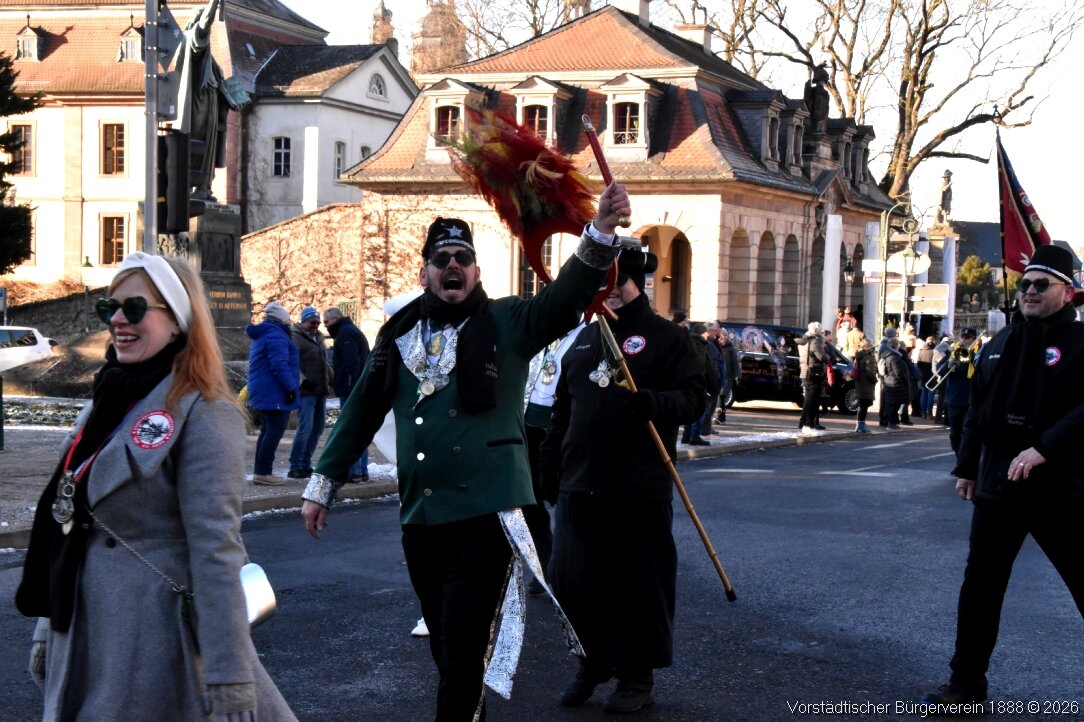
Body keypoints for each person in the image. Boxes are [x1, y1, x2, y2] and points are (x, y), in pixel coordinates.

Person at [301, 184, 630, 721]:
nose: (452, 266)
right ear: (425, 273)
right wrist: (323, 485)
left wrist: (602, 230)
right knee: (446, 646)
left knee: (460, 645)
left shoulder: (509, 321)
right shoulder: (399, 333)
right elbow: (361, 409)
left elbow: (566, 296)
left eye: (462, 258)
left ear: (476, 272)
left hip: (488, 514)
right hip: (422, 515)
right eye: (442, 259)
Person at [15, 252, 296, 721]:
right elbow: (71, 524)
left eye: (135, 308)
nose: (117, 320)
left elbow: (217, 550)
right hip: (84, 629)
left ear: (178, 321)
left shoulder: (205, 411)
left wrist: (228, 675)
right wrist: (49, 627)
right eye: (110, 308)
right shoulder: (107, 399)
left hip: (153, 641)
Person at [542, 248, 704, 714]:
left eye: (620, 282)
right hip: (579, 485)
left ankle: (637, 675)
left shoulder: (669, 338)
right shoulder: (584, 340)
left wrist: (657, 402)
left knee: (637, 586)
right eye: (604, 283)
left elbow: (694, 397)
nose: (611, 291)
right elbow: (563, 410)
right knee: (573, 582)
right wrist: (548, 463)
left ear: (638, 283)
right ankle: (591, 661)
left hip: (637, 485)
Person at [923, 244, 1084, 706]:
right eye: (1025, 284)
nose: (1029, 291)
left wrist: (1044, 448)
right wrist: (967, 466)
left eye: (1041, 284)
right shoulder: (1000, 342)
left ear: (1067, 292)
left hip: (1060, 488)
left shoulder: (1080, 343)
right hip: (998, 486)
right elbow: (979, 408)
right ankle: (966, 684)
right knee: (981, 588)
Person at [522, 322, 585, 595]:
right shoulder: (542, 330)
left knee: (569, 504)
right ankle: (545, 569)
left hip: (566, 429)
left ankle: (569, 573)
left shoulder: (590, 333)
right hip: (529, 428)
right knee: (531, 504)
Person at [246, 301, 300, 485]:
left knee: (267, 431)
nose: (289, 323)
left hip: (265, 389)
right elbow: (279, 365)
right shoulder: (276, 335)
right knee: (274, 432)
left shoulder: (266, 333)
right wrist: (290, 388)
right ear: (281, 319)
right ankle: (263, 473)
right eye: (287, 320)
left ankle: (261, 471)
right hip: (274, 391)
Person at [322, 306, 371, 482]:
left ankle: (354, 471)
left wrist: (351, 386)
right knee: (360, 431)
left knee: (350, 431)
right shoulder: (351, 331)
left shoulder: (344, 334)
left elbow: (352, 362)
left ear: (335, 319)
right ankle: (361, 470)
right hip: (358, 388)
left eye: (326, 321)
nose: (325, 325)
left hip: (351, 389)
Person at [288, 306, 332, 479]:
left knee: (318, 428)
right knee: (305, 428)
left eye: (318, 322)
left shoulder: (319, 337)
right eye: (312, 322)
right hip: (306, 390)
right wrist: (303, 380)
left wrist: (331, 378)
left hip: (320, 389)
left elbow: (324, 363)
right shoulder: (295, 337)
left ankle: (305, 463)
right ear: (303, 321)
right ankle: (295, 465)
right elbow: (292, 363)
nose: (315, 325)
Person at [940, 328, 979, 456]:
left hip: (971, 400)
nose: (964, 340)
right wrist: (949, 365)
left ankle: (965, 459)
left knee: (968, 432)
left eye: (967, 338)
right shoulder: (952, 352)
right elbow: (940, 371)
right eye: (962, 337)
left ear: (974, 339)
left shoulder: (979, 353)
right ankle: (958, 456)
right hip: (954, 399)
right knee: (955, 433)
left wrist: (972, 358)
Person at [681, 322, 718, 446]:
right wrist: (713, 385)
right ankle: (695, 436)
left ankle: (686, 435)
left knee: (690, 409)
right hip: (697, 383)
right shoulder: (700, 347)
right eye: (706, 332)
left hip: (686, 382)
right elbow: (704, 367)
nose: (707, 334)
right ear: (702, 333)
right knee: (699, 409)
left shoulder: (689, 344)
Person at [796, 321, 827, 433]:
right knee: (812, 400)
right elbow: (821, 356)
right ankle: (808, 424)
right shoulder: (815, 340)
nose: (821, 330)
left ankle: (804, 422)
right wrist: (828, 356)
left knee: (808, 399)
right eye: (820, 328)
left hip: (805, 371)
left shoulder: (805, 339)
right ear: (816, 330)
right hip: (814, 372)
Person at [852, 335, 878, 433]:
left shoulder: (859, 356)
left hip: (860, 382)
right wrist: (874, 380)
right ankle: (860, 424)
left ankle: (860, 423)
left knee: (863, 404)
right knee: (864, 405)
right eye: (870, 345)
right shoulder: (867, 357)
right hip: (866, 384)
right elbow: (869, 371)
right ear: (867, 347)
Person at [716, 325, 740, 424]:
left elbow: (735, 362)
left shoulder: (730, 348)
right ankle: (719, 417)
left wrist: (737, 375)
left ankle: (721, 417)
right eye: (722, 336)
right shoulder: (715, 346)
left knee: (722, 396)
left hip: (727, 376)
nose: (724, 337)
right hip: (717, 375)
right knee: (717, 397)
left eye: (725, 335)